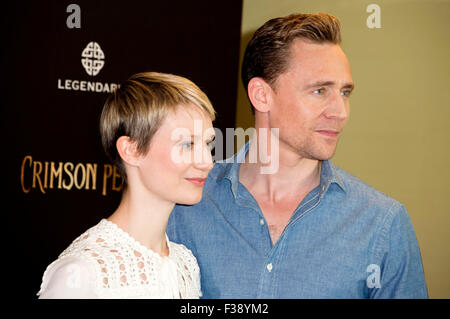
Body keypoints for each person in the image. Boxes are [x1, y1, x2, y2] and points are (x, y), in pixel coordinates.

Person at [167, 13, 428, 298]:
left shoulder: (382, 224)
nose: (340, 111)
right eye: (319, 91)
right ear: (262, 95)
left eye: (344, 92)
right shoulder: (184, 204)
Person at [37, 72, 216, 298]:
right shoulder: (83, 273)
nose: (207, 162)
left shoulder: (185, 264)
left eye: (208, 143)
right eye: (187, 144)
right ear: (131, 150)